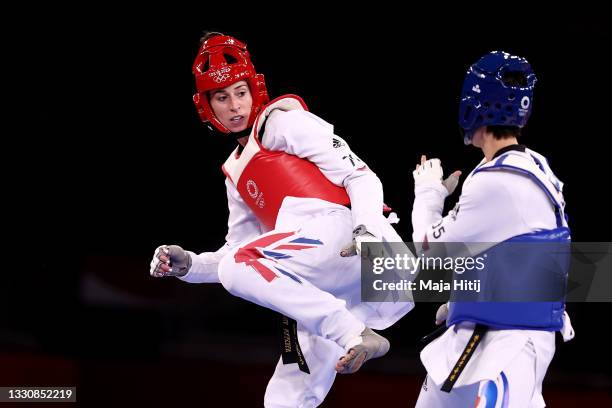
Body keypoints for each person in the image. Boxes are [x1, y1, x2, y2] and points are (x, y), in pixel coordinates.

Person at [149, 32, 414, 407]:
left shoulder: (284, 122)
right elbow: (237, 254)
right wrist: (190, 265)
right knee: (285, 397)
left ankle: (353, 332)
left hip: (351, 239)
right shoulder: (236, 174)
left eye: (240, 93)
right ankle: (353, 331)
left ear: (255, 89)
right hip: (329, 279)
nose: (235, 106)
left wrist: (366, 227)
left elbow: (361, 175)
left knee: (243, 266)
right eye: (222, 98)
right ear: (207, 106)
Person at [411, 51, 575, 407]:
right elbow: (510, 250)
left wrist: (427, 194)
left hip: (512, 342)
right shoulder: (532, 164)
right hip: (480, 332)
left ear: (474, 106)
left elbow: (428, 253)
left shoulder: (495, 181)